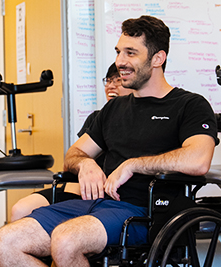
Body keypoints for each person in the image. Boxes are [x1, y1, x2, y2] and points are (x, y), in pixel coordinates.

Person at [0, 15, 217, 267]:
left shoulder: (188, 105)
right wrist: (87, 164)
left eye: (131, 53)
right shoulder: (113, 110)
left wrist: (133, 164)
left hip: (140, 211)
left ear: (158, 58)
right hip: (91, 204)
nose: (120, 61)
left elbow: (198, 160)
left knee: (66, 240)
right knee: (4, 244)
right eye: (118, 52)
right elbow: (74, 153)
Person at [9, 63, 132, 221]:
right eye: (108, 81)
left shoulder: (137, 122)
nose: (110, 86)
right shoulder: (96, 118)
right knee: (20, 210)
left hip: (113, 195)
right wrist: (84, 164)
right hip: (81, 188)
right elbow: (69, 163)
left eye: (117, 80)